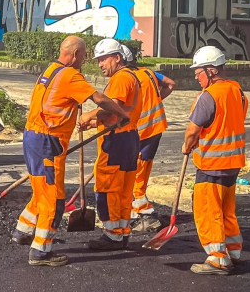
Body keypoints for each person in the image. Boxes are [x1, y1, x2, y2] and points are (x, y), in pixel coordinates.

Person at [11, 35, 130, 266]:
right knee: (54, 199)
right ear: (75, 54)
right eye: (84, 55)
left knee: (41, 189)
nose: (85, 60)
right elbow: (99, 99)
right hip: (48, 141)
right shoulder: (70, 75)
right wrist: (123, 114)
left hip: (34, 137)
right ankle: (41, 252)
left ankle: (23, 231)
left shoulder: (50, 71)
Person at [182, 46, 247, 275]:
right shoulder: (237, 90)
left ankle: (218, 258)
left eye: (198, 72)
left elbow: (193, 130)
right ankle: (234, 250)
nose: (196, 77)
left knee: (209, 210)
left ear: (210, 71)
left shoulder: (208, 96)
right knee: (227, 209)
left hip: (212, 164)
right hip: (233, 163)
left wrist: (187, 146)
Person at [78, 39, 142, 250]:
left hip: (116, 141)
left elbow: (113, 108)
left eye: (104, 59)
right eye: (98, 60)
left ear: (117, 58)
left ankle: (112, 234)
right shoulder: (132, 77)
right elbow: (121, 114)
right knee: (124, 189)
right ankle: (122, 232)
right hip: (129, 138)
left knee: (107, 187)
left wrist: (88, 115)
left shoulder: (121, 79)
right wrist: (96, 123)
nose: (100, 64)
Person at [120, 45, 176, 232]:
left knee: (133, 172)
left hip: (139, 131)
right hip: (156, 127)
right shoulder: (150, 73)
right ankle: (137, 208)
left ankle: (141, 211)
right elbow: (171, 83)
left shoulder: (128, 78)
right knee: (142, 170)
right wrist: (158, 99)